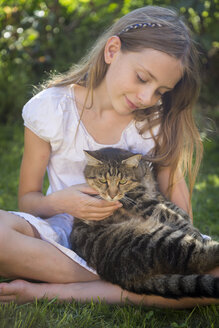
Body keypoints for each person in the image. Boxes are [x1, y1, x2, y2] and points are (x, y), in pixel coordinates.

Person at [0, 5, 218, 307]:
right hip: (59, 235)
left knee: (210, 271)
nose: (147, 97)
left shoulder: (154, 122)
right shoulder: (50, 109)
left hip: (138, 242)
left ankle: (50, 290)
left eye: (160, 91)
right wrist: (61, 202)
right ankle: (130, 285)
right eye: (142, 78)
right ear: (112, 50)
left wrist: (185, 251)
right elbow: (28, 200)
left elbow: (176, 199)